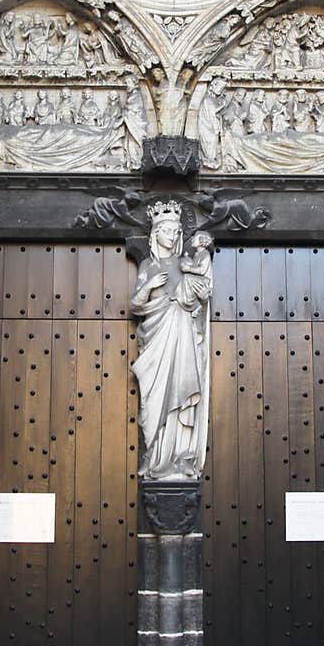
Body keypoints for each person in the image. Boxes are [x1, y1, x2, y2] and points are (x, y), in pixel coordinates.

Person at [130, 204, 213, 481]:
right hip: (156, 339)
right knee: (153, 403)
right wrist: (150, 287)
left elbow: (198, 297)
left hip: (182, 338)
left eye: (175, 231)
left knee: (182, 392)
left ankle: (179, 457)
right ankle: (155, 456)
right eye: (166, 230)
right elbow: (136, 305)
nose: (172, 235)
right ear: (155, 234)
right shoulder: (148, 266)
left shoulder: (184, 265)